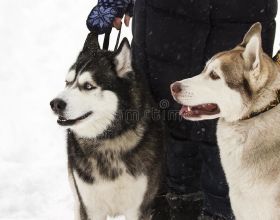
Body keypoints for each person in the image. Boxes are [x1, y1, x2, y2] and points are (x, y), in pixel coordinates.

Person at [86, 0, 278, 219]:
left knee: (235, 131)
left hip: (238, 23)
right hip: (166, 26)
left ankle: (220, 211)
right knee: (164, 122)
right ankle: (171, 204)